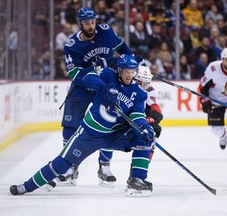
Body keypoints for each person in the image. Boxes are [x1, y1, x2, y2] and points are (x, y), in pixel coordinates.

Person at [9, 54, 154, 197]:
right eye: (126, 71)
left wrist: (144, 127)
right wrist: (105, 88)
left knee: (145, 138)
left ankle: (137, 179)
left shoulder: (139, 94)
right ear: (119, 70)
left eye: (132, 71)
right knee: (62, 164)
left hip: (114, 135)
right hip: (89, 134)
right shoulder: (108, 75)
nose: (129, 75)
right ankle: (26, 186)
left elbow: (137, 115)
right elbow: (88, 77)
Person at [58, 7, 133, 186]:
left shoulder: (106, 32)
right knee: (70, 126)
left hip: (107, 86)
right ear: (80, 24)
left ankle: (104, 167)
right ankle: (69, 167)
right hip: (82, 88)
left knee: (109, 124)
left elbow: (121, 47)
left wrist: (133, 61)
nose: (91, 25)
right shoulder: (72, 46)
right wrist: (94, 70)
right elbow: (75, 75)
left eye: (92, 21)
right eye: (86, 22)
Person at [97, 65, 163, 187]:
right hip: (114, 122)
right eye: (140, 82)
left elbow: (157, 112)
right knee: (107, 130)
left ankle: (136, 175)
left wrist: (148, 122)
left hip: (132, 123)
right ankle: (104, 166)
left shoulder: (147, 91)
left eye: (146, 82)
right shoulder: (119, 87)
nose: (143, 86)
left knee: (151, 134)